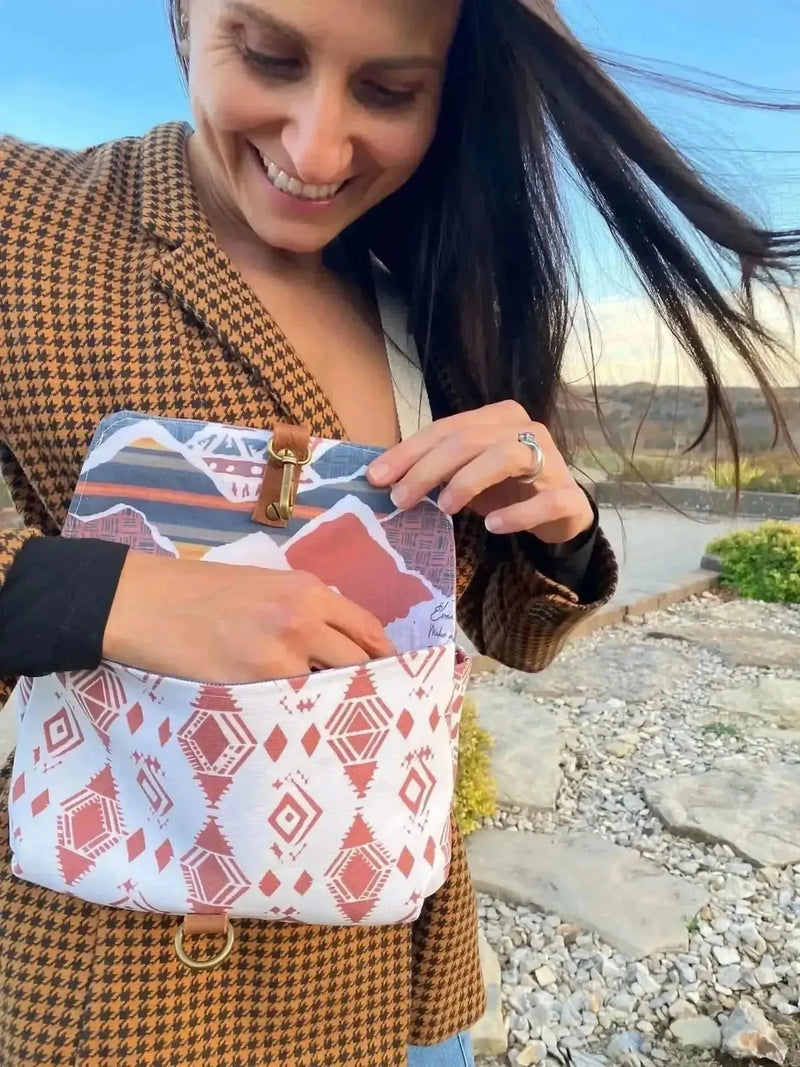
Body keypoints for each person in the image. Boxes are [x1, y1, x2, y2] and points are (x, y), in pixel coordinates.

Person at [0, 0, 795, 1064]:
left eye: (387, 91)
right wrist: (115, 598)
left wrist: (552, 534)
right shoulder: (29, 220)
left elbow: (496, 634)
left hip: (403, 957)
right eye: (269, 57)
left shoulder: (421, 296)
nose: (316, 146)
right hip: (133, 978)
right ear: (186, 16)